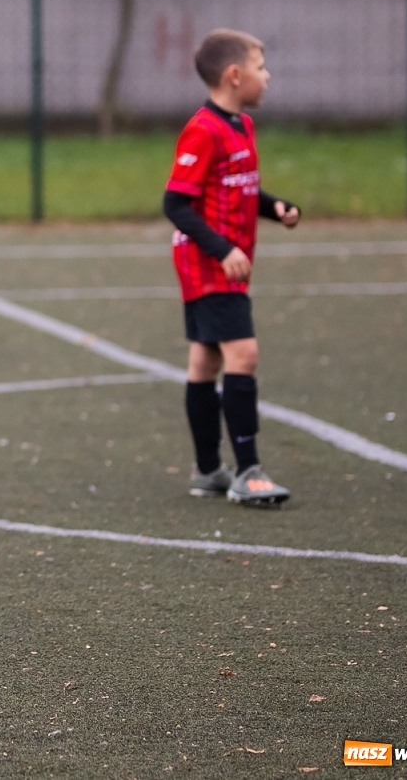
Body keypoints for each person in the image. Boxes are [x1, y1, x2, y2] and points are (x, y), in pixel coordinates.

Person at [163, 29, 301, 508]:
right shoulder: (204, 128)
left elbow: (238, 188)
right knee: (243, 355)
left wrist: (275, 206)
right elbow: (177, 203)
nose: (268, 76)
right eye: (261, 67)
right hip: (209, 264)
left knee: (206, 361)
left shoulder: (241, 125)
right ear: (234, 75)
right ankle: (248, 471)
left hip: (222, 262)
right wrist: (223, 251)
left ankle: (207, 470)